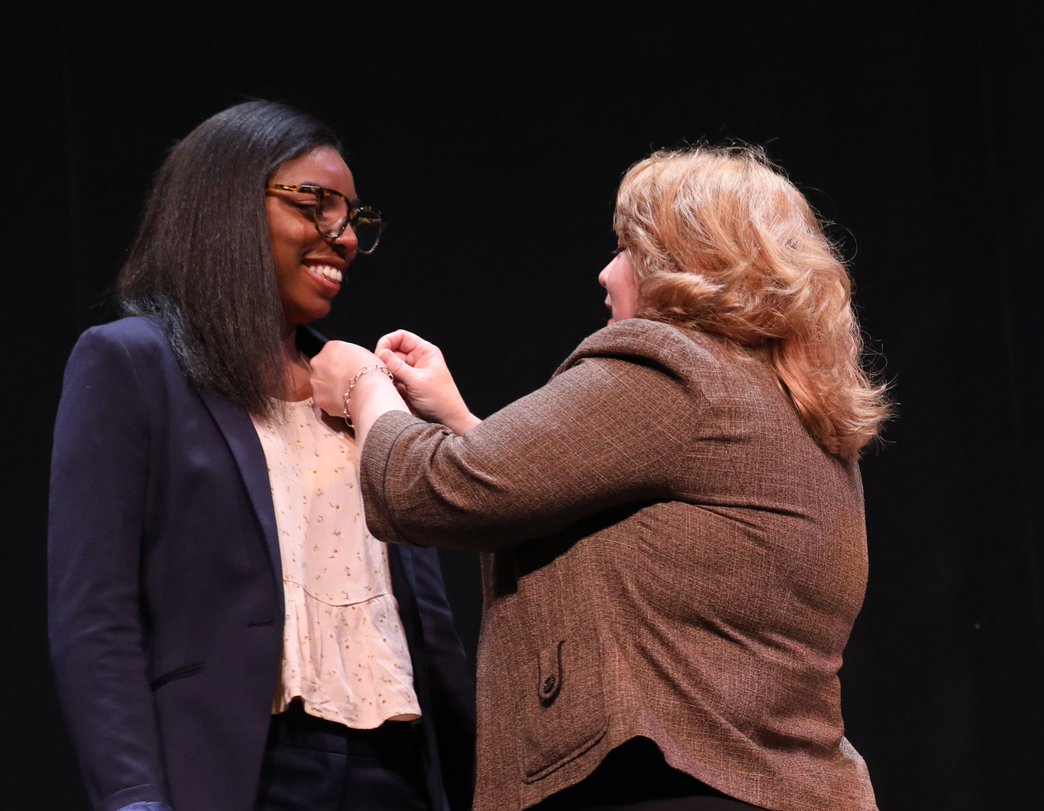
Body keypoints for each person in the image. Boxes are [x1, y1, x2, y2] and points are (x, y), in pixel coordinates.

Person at [310, 144, 890, 811]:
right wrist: (461, 418)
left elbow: (434, 489)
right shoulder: (788, 401)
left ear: (682, 263)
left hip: (670, 790)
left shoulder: (672, 366)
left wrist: (362, 384)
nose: (606, 273)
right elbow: (606, 507)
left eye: (625, 248)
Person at [48, 100, 475, 811]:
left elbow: (428, 622)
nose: (340, 238)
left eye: (352, 219)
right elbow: (96, 615)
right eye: (315, 205)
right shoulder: (131, 364)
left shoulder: (358, 386)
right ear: (226, 206)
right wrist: (132, 797)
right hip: (241, 770)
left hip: (396, 767)